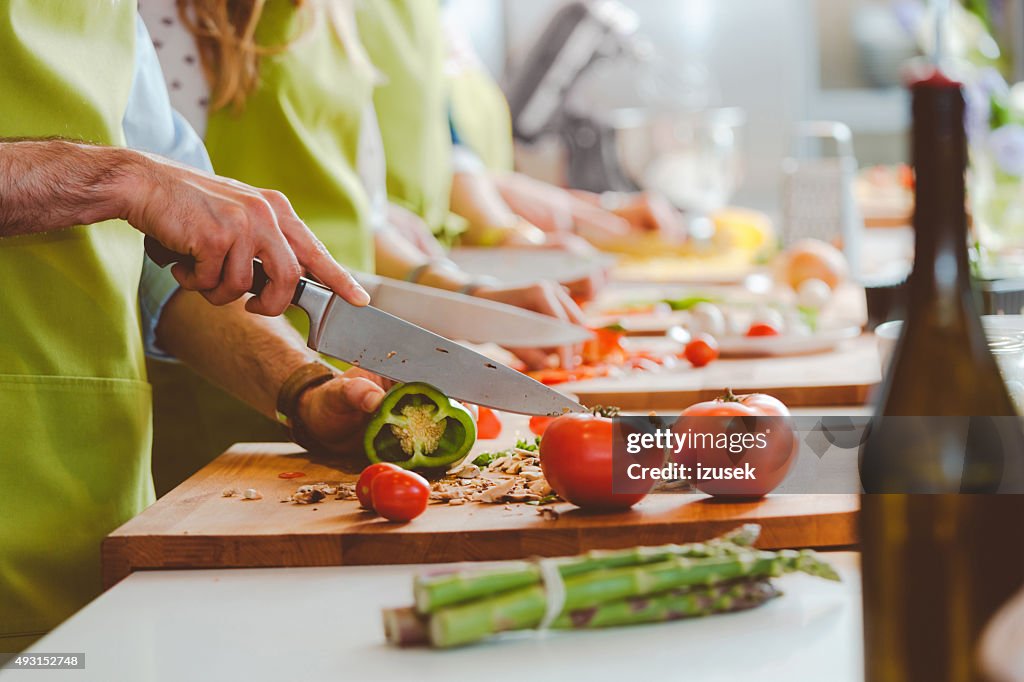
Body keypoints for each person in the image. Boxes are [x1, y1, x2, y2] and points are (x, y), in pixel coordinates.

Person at [0, 2, 387, 651]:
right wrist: (120, 177)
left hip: (98, 530)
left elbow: (170, 276)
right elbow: (135, 190)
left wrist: (303, 391)